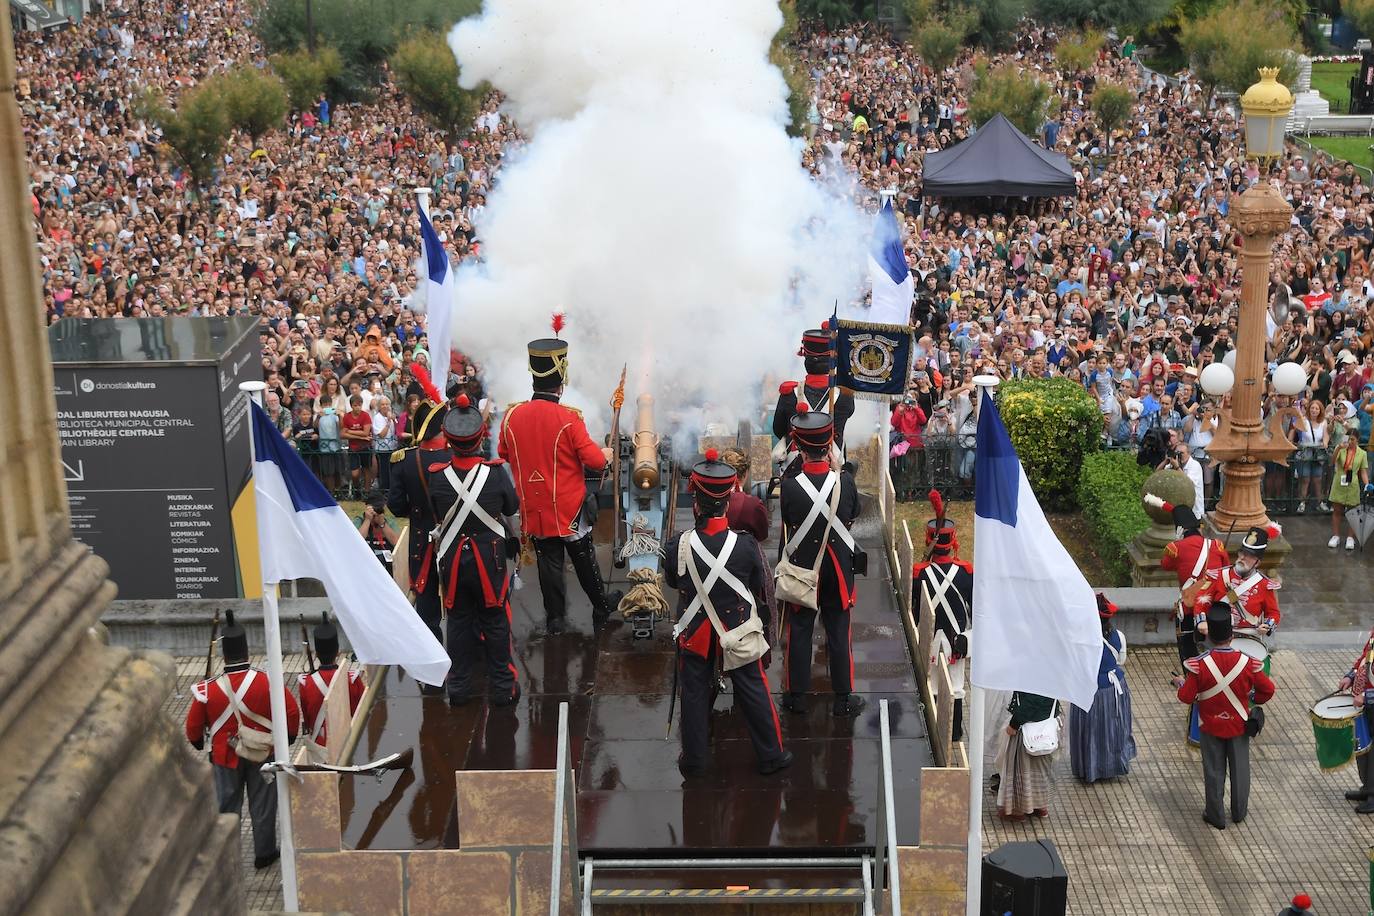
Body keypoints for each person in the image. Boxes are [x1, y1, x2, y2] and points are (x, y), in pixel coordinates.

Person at [665, 450, 791, 778]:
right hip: (737, 629)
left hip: (695, 632)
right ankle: (771, 756)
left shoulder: (678, 544)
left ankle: (694, 760)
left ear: (696, 502)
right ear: (726, 500)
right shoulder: (746, 546)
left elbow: (671, 580)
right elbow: (753, 584)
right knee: (753, 687)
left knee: (693, 692)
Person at [498, 334, 618, 634]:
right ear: (561, 380)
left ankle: (555, 618)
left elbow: (503, 452)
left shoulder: (512, 416)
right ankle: (601, 606)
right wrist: (606, 454)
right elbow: (593, 460)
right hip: (568, 505)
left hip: (533, 504)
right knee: (583, 557)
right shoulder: (569, 418)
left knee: (548, 561)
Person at [184, 612, 300, 869]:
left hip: (225, 757)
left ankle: (229, 857)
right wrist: (288, 737)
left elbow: (193, 727)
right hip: (262, 752)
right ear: (247, 651)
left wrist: (198, 742)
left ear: (224, 655)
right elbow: (291, 712)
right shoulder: (266, 680)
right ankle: (264, 853)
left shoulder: (208, 688)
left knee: (227, 807)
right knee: (263, 806)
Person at [429, 395, 522, 706]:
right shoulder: (494, 473)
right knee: (495, 622)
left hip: (453, 560)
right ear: (480, 437)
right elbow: (512, 505)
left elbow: (437, 514)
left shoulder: (437, 477)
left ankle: (458, 688)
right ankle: (503, 687)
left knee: (457, 623)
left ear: (450, 440)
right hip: (489, 559)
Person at [778, 407, 865, 717]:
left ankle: (796, 697)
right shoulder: (847, 482)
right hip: (839, 570)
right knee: (839, 632)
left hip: (804, 569)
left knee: (799, 631)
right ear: (829, 446)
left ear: (799, 448)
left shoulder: (789, 487)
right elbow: (853, 515)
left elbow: (789, 520)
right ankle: (843, 699)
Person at [1174, 605, 1275, 829]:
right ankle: (1239, 812)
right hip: (1239, 723)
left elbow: (1186, 697)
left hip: (1210, 725)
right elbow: (1268, 690)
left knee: (1213, 770)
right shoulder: (1249, 663)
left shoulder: (1199, 664)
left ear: (1209, 635)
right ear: (1231, 635)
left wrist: (1181, 683)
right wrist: (1251, 699)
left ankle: (1215, 815)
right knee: (1240, 770)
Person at [386, 365, 452, 690]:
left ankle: (433, 675)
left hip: (421, 542)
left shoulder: (403, 461)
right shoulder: (455, 457)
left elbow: (396, 506)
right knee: (461, 604)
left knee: (426, 608)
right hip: (454, 540)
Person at [912, 489, 972, 741]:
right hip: (957, 638)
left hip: (931, 638)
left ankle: (933, 729)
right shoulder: (967, 571)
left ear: (929, 540)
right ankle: (955, 731)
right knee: (956, 685)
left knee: (932, 684)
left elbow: (915, 608)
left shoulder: (919, 572)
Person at [1070, 594, 1137, 783]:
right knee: (1113, 728)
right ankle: (1111, 765)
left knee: (1089, 730)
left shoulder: (1080, 637)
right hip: (1113, 688)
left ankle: (1089, 768)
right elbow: (1121, 661)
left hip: (1088, 689)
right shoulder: (1119, 636)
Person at [1155, 500, 1229, 666]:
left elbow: (1165, 565)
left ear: (1180, 529)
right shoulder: (1217, 545)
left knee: (1187, 641)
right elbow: (1226, 569)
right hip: (1216, 603)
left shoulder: (1175, 547)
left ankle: (1191, 673)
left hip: (1190, 604)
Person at [772, 327, 856, 463]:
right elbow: (849, 414)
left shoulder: (788, 394)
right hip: (832, 463)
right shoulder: (846, 396)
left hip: (795, 467)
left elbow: (778, 429)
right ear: (832, 360)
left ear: (806, 358)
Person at [296, 614, 366, 762]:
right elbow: (362, 714)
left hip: (320, 750)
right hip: (349, 745)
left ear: (316, 653)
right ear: (338, 651)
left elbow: (308, 720)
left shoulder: (305, 683)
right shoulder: (352, 679)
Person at [1194, 525, 1281, 639]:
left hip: (1248, 636)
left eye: (1249, 555)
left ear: (1257, 562)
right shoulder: (1219, 576)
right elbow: (1201, 600)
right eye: (1242, 553)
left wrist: (1267, 625)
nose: (1243, 557)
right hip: (1218, 634)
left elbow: (1273, 613)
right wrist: (1201, 621)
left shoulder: (1264, 585)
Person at [995, 690, 1060, 819]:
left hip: (1026, 731)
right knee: (1041, 771)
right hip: (1046, 730)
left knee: (1019, 770)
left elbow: (1031, 702)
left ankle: (1018, 810)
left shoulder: (1033, 677)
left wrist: (1014, 724)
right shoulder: (1052, 674)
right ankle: (1040, 806)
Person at [1337, 624, 1374, 814]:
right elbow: (1364, 658)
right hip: (1365, 705)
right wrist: (1350, 676)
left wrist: (1367, 696)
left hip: (1368, 701)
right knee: (1364, 748)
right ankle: (1367, 787)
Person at [1327, 418, 1372, 550]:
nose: (1350, 442)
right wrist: (1338, 449)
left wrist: (1367, 484)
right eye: (1348, 439)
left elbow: (1363, 471)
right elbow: (1332, 461)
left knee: (1353, 512)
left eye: (1353, 439)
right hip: (1339, 481)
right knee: (1337, 510)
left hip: (1352, 484)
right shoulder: (1341, 448)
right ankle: (1335, 536)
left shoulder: (1362, 453)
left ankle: (1350, 537)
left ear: (1357, 440)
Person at [720, 446, 769, 543]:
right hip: (744, 554)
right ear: (746, 473)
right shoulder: (754, 505)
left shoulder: (707, 499)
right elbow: (762, 535)